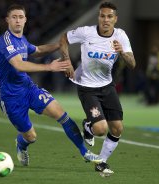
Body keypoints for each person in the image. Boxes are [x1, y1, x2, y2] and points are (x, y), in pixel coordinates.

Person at [0, 4, 102, 167]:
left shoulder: (21, 39)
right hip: (11, 97)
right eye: (14, 17)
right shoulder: (5, 41)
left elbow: (37, 50)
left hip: (28, 88)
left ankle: (85, 153)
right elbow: (19, 65)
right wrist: (49, 67)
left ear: (25, 20)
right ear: (7, 20)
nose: (17, 20)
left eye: (20, 17)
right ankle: (21, 144)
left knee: (62, 115)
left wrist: (59, 45)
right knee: (31, 137)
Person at [59, 1, 136, 177]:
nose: (105, 20)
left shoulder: (121, 36)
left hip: (107, 86)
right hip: (87, 87)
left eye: (110, 17)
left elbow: (132, 64)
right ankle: (88, 125)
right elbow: (64, 38)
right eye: (102, 16)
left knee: (117, 128)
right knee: (101, 130)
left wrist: (123, 52)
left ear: (115, 19)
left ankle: (100, 162)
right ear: (98, 17)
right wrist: (67, 61)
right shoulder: (86, 32)